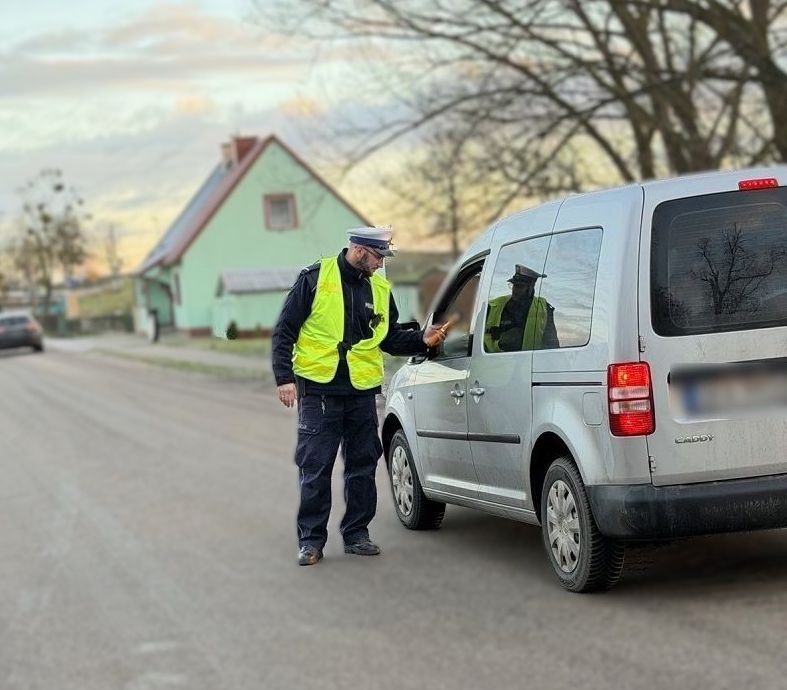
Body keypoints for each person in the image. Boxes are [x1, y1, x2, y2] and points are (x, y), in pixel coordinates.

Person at [272, 227, 450, 566]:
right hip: (319, 390)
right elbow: (285, 330)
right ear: (358, 250)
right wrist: (284, 378)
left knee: (362, 465)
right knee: (315, 468)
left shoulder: (380, 289)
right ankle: (311, 541)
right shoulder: (315, 278)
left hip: (361, 394)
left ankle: (357, 534)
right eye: (378, 256)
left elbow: (390, 338)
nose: (382, 264)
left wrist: (421, 340)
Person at [484, 264, 559, 352]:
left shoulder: (543, 308)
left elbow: (551, 345)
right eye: (514, 285)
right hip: (495, 362)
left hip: (528, 363)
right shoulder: (494, 305)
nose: (515, 290)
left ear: (530, 287)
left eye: (520, 286)